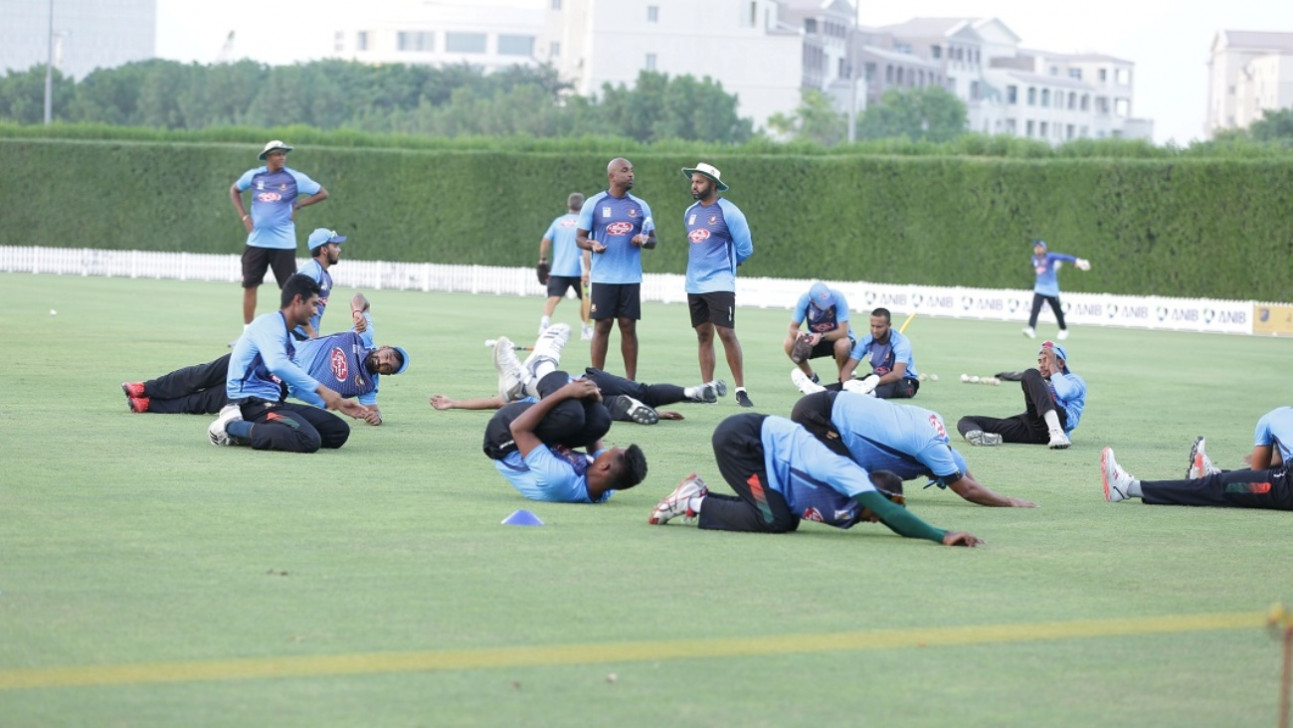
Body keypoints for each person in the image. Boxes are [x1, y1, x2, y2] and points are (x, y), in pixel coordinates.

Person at [646, 413, 983, 547]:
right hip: (742, 443)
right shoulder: (846, 475)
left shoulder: (853, 492)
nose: (877, 518)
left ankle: (699, 496)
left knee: (782, 516)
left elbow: (891, 516)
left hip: (758, 449)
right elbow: (895, 517)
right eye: (878, 508)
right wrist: (943, 536)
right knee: (775, 520)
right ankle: (693, 501)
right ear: (872, 494)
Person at [123, 295, 406, 423]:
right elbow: (360, 298)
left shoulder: (367, 386)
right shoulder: (365, 335)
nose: (383, 363)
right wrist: (357, 312)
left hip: (277, 385)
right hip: (275, 351)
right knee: (205, 373)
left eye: (388, 368)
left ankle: (148, 405)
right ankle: (145, 387)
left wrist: (375, 417)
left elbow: (373, 410)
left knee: (209, 400)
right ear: (384, 347)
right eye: (387, 356)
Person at [789, 389, 1037, 507]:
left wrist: (982, 485)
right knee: (852, 485)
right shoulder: (930, 450)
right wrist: (1010, 502)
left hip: (825, 400)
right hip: (816, 415)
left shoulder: (934, 422)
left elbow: (963, 473)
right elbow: (968, 490)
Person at [207, 274, 371, 452]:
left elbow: (295, 388)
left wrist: (337, 403)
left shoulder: (290, 341)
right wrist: (323, 390)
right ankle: (231, 426)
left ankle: (261, 431)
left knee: (338, 431)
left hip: (274, 403)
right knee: (309, 439)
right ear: (298, 300)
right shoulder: (268, 324)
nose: (316, 311)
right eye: (314, 304)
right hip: (250, 403)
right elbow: (276, 364)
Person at [433, 325, 726, 424]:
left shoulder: (525, 397)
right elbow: (495, 402)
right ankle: (689, 393)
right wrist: (453, 403)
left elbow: (495, 402)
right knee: (641, 391)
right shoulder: (521, 398)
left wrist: (454, 403)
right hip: (590, 379)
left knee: (601, 406)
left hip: (567, 389)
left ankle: (638, 406)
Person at [482, 370, 649, 504]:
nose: (603, 451)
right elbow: (595, 434)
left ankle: (541, 369)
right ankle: (542, 380)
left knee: (570, 414)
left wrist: (565, 392)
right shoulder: (605, 486)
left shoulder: (558, 478)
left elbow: (518, 429)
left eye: (608, 452)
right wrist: (593, 402)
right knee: (601, 420)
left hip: (505, 437)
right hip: (539, 440)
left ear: (604, 466)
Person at [1100, 407, 1293, 510]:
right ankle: (1211, 476)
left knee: (1222, 486)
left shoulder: (1273, 418)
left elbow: (1258, 474)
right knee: (1233, 483)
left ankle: (1127, 488)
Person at [229, 140, 329, 339]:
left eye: (284, 153)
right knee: (250, 286)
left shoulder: (294, 178)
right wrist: (244, 217)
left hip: (283, 244)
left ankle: (298, 333)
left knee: (291, 289)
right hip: (256, 242)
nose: (282, 157)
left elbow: (322, 193)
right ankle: (247, 334)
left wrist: (298, 205)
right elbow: (234, 190)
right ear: (267, 157)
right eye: (277, 153)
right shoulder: (254, 176)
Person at [681, 162, 755, 408]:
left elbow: (745, 248)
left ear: (712, 184)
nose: (694, 185)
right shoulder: (690, 212)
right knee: (703, 335)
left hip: (721, 283)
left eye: (699, 181)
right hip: (694, 285)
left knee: (726, 333)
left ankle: (741, 390)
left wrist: (730, 265)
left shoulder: (729, 212)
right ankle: (707, 388)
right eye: (692, 181)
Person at [577, 157, 656, 381]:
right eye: (625, 170)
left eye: (632, 170)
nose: (631, 174)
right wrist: (592, 244)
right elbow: (580, 238)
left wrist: (643, 239)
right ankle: (596, 379)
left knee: (628, 326)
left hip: (630, 277)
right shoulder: (594, 203)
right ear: (612, 176)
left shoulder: (641, 206)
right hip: (603, 277)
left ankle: (630, 381)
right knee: (602, 326)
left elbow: (653, 240)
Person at [956, 340, 1085, 450]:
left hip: (1060, 423)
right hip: (1034, 428)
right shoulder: (1040, 380)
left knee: (1030, 373)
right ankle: (977, 437)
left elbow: (1065, 392)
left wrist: (1052, 367)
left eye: (1046, 360)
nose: (1041, 365)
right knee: (967, 420)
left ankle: (1056, 432)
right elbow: (1025, 377)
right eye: (1039, 361)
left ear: (1061, 363)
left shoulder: (1074, 380)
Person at [538, 193, 594, 340]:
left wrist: (543, 259)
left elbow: (545, 241)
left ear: (568, 205)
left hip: (559, 268)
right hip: (579, 269)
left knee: (553, 298)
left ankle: (543, 325)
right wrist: (587, 269)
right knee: (586, 299)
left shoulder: (558, 222)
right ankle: (586, 329)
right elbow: (586, 248)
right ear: (582, 206)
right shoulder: (584, 223)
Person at [835, 307, 920, 399]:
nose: (875, 330)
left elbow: (898, 374)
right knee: (840, 387)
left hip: (905, 381)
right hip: (876, 378)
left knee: (888, 388)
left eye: (879, 327)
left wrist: (872, 383)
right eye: (872, 326)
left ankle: (867, 395)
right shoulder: (866, 341)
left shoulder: (901, 342)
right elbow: (847, 369)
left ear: (889, 325)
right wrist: (847, 384)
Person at [785, 281, 854, 387]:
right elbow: (792, 328)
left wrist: (821, 336)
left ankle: (842, 378)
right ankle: (811, 378)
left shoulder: (838, 297)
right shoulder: (804, 300)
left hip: (840, 338)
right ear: (812, 301)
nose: (827, 306)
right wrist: (799, 333)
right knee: (789, 343)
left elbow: (843, 332)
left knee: (842, 344)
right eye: (823, 304)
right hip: (816, 338)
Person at [1023, 239, 1090, 341]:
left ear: (1044, 249)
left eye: (1039, 247)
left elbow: (1063, 257)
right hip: (1039, 288)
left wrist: (1076, 261)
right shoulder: (1033, 258)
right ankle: (1031, 329)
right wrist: (1053, 268)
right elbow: (1040, 268)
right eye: (1036, 247)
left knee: (1057, 311)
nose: (1037, 249)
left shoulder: (1050, 256)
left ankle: (1063, 329)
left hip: (1051, 290)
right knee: (1035, 309)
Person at [295, 228, 347, 339]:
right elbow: (297, 303)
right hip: (295, 336)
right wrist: (311, 334)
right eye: (335, 246)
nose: (339, 250)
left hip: (304, 337)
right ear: (324, 250)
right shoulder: (311, 271)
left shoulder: (324, 274)